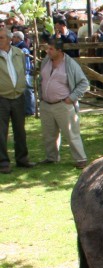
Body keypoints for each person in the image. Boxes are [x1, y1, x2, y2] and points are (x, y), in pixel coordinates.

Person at [38, 38, 89, 169]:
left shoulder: (70, 64)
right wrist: (41, 98)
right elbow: (41, 80)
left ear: (59, 51)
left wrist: (71, 98)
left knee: (71, 133)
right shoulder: (45, 61)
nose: (48, 51)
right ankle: (51, 157)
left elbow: (84, 83)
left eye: (51, 49)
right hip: (46, 104)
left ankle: (81, 159)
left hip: (63, 104)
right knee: (49, 134)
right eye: (47, 48)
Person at [0, 28, 34, 174]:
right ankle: (3, 162)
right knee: (1, 132)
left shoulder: (19, 53)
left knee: (20, 130)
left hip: (18, 96)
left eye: (1, 37)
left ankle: (22, 159)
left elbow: (24, 72)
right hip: (2, 97)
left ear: (9, 39)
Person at [11, 30, 34, 116]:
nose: (12, 38)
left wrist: (25, 72)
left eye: (14, 37)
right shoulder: (15, 46)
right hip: (21, 72)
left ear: (18, 38)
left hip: (25, 73)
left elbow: (26, 61)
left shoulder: (23, 47)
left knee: (28, 91)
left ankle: (30, 110)